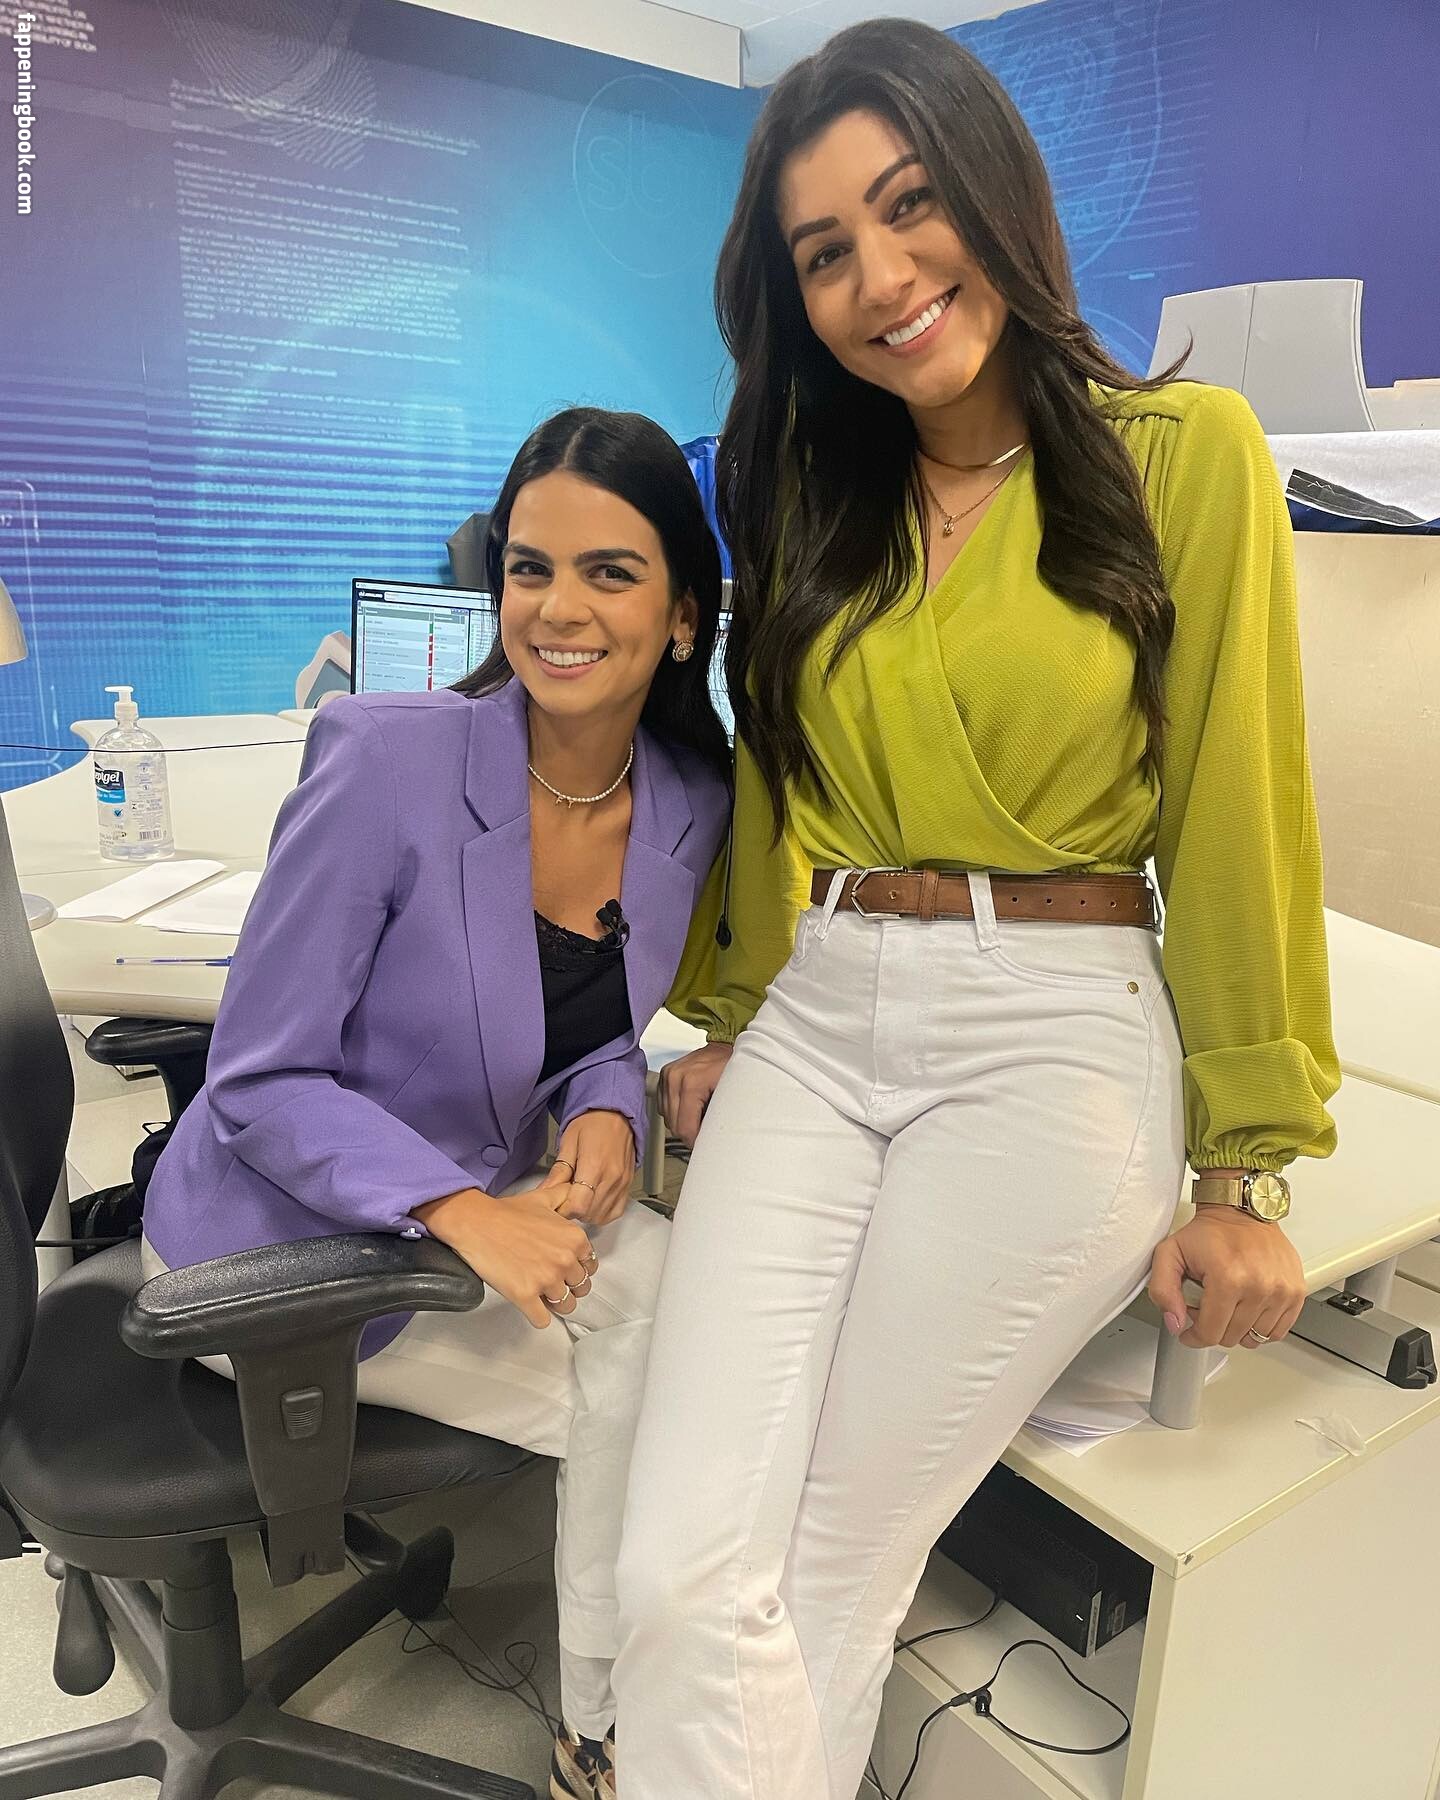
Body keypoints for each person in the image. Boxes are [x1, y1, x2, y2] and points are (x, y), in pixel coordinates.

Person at [610, 21, 1341, 1798]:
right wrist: (724, 1013)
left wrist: (1244, 1168)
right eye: (824, 252)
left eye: (909, 204)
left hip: (1055, 1029)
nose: (880, 278)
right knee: (678, 1570)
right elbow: (775, 779)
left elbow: (1237, 806)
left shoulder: (1186, 453)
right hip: (822, 1010)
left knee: (825, 1571)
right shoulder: (809, 488)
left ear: (995, 190)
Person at [139, 408, 732, 1800]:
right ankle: (603, 1734)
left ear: (684, 617)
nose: (558, 609)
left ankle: (658, 1689)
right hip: (275, 1245)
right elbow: (259, 1075)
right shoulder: (387, 758)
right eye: (530, 568)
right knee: (655, 1405)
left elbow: (592, 1017)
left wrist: (605, 1109)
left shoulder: (689, 800)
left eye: (609, 571)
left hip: (485, 1197)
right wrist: (462, 1209)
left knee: (709, 1332)